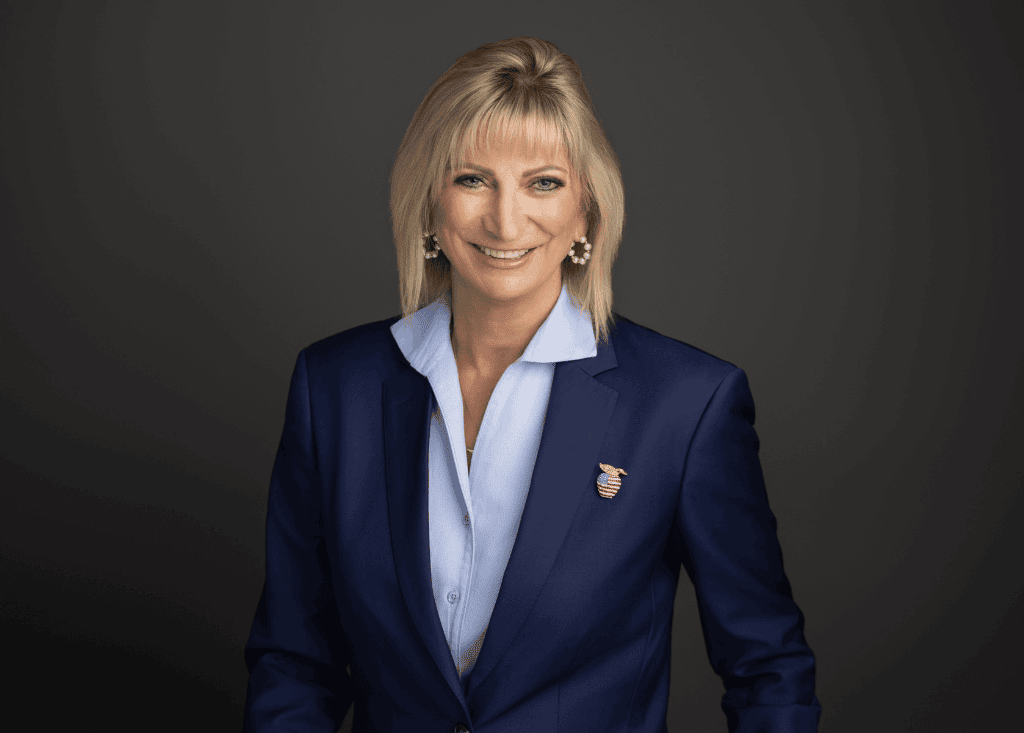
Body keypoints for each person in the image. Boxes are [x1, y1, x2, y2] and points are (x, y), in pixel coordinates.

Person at [243, 37, 820, 733]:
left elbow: (769, 670)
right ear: (428, 204)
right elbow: (295, 662)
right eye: (471, 179)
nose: (505, 220)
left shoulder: (686, 405)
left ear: (586, 210)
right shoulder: (333, 389)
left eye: (542, 181)